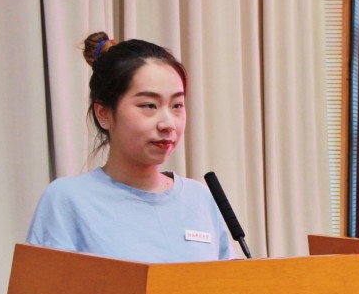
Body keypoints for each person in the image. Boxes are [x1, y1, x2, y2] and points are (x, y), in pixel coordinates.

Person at [26, 31, 237, 263]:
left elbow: (230, 284)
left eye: (177, 105)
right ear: (104, 113)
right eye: (149, 105)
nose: (168, 124)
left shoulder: (200, 198)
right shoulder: (67, 200)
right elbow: (44, 286)